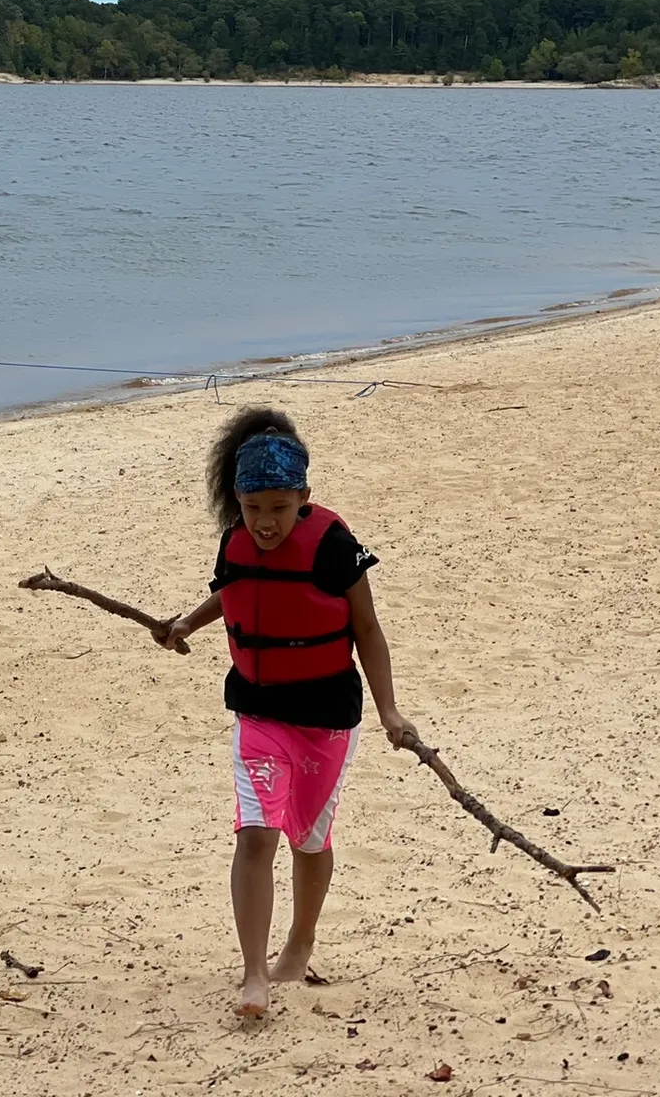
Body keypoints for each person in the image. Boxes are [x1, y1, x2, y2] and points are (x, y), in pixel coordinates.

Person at [158, 407, 417, 1018]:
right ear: (238, 502)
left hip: (327, 717)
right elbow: (236, 590)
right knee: (254, 835)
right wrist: (186, 622)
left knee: (308, 837)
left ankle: (299, 946)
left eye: (278, 508)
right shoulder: (234, 541)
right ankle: (255, 975)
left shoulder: (333, 544)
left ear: (303, 497)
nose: (265, 523)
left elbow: (369, 629)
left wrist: (390, 711)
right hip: (258, 710)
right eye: (252, 510)